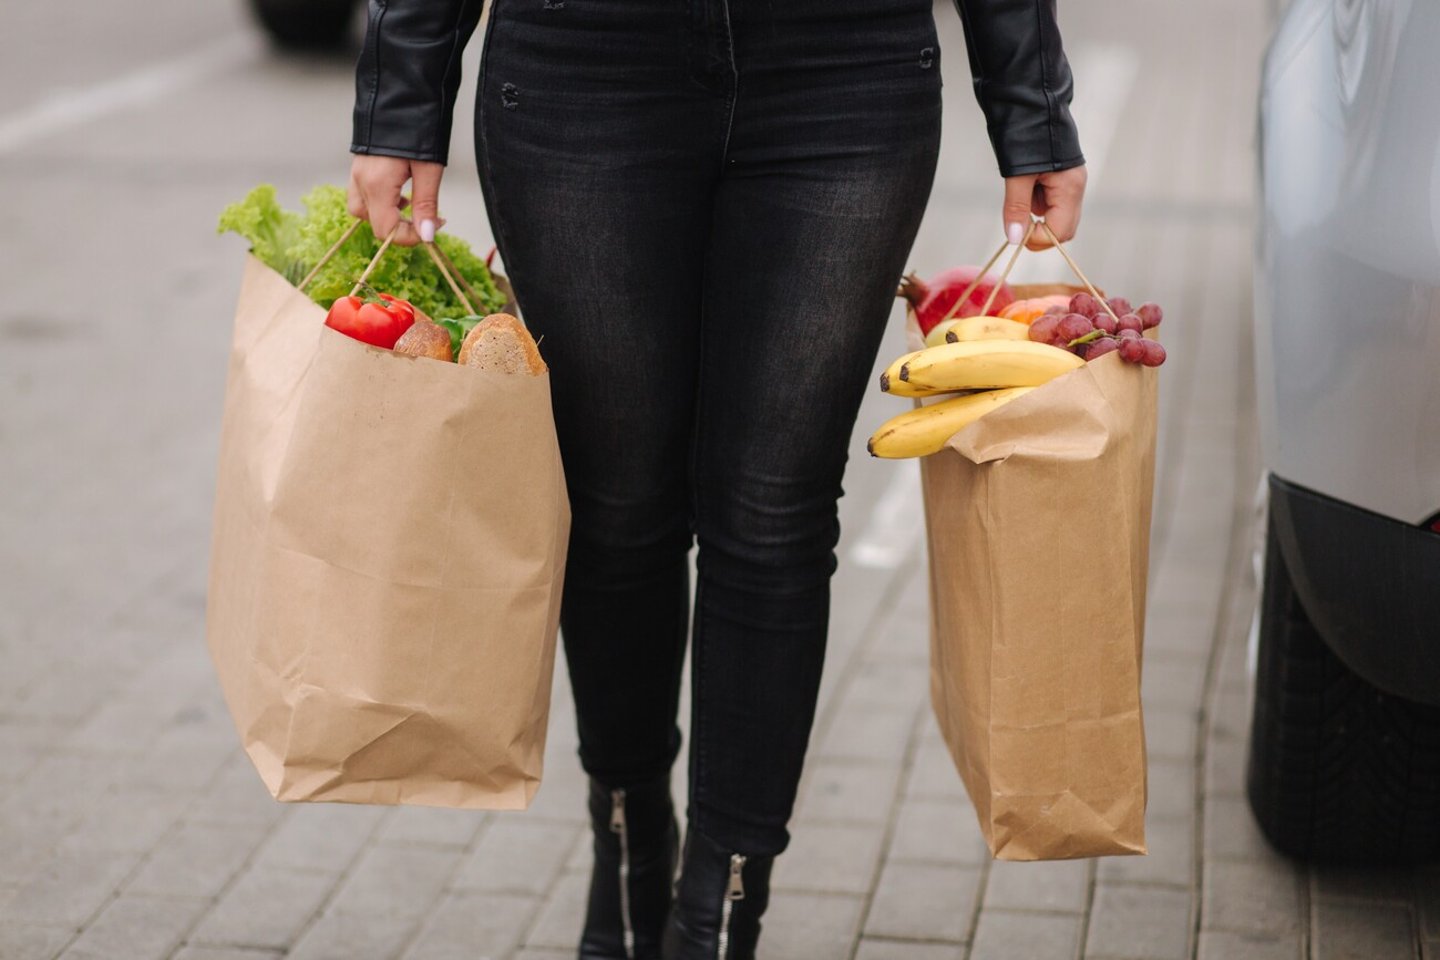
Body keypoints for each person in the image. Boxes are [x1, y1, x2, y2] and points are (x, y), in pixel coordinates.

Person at [346, 1, 1085, 956]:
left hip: (846, 67)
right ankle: (630, 853)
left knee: (775, 514)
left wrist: (1032, 104)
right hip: (585, 63)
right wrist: (403, 101)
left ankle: (721, 915)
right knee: (613, 509)